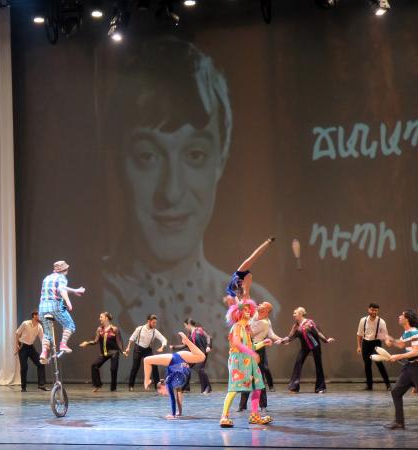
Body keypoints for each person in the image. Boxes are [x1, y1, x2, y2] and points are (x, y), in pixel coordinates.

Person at [100, 38, 279, 378]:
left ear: (220, 159)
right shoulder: (101, 295)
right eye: (147, 155)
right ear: (119, 163)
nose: (171, 191)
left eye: (194, 154)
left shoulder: (265, 305)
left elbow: (246, 268)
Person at [220, 299, 272, 428]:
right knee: (234, 389)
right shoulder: (237, 327)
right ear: (238, 312)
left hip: (249, 361)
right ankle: (224, 416)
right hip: (239, 361)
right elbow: (237, 343)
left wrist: (263, 343)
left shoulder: (246, 328)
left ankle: (254, 415)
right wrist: (252, 354)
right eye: (245, 309)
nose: (248, 311)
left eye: (249, 309)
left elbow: (250, 346)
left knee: (258, 387)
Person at [143, 332, 206, 419]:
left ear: (162, 386)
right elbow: (178, 398)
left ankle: (146, 380)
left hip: (173, 360)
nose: (163, 395)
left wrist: (172, 415)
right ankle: (187, 341)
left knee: (147, 360)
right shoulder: (174, 384)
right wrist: (179, 412)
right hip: (181, 359)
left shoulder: (169, 383)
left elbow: (172, 399)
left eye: (162, 392)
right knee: (202, 357)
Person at [38, 260, 86, 363]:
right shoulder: (61, 278)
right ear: (65, 269)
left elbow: (62, 287)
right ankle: (63, 344)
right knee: (70, 325)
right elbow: (62, 289)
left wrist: (75, 290)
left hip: (42, 308)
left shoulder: (47, 278)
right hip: (55, 305)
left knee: (47, 333)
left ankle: (44, 352)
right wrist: (68, 302)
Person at [279, 307, 335, 394]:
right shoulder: (296, 326)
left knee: (318, 366)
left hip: (315, 346)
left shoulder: (310, 322)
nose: (293, 315)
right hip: (305, 347)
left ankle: (320, 388)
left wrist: (326, 340)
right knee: (298, 363)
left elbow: (318, 332)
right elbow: (290, 337)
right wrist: (282, 341)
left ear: (301, 314)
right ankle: (294, 387)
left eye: (295, 313)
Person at [238, 301, 280, 412]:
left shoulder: (264, 322)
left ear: (266, 311)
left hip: (258, 349)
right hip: (249, 347)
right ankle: (242, 405)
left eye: (262, 305)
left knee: (259, 378)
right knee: (247, 376)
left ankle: (263, 405)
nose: (259, 305)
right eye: (260, 304)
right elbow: (272, 334)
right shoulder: (257, 314)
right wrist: (281, 339)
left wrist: (243, 324)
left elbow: (251, 334)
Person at [80, 311, 124, 392]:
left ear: (106, 318)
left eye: (101, 317)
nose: (99, 319)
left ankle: (113, 388)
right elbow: (96, 341)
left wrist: (122, 351)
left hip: (114, 352)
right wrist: (87, 343)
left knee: (113, 369)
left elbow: (119, 342)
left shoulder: (114, 329)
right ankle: (97, 385)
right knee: (94, 366)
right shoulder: (99, 329)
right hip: (104, 353)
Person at [124, 314, 168, 391]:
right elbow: (132, 338)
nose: (155, 324)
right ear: (149, 321)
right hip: (138, 348)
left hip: (147, 350)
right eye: (153, 322)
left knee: (154, 366)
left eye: (155, 323)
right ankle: (131, 385)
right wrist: (128, 347)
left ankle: (157, 386)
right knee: (135, 367)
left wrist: (162, 347)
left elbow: (164, 339)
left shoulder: (155, 331)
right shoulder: (140, 328)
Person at [170, 318, 212, 394]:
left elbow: (209, 337)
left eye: (185, 326)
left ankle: (207, 388)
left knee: (200, 370)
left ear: (189, 324)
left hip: (202, 353)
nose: (185, 327)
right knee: (186, 367)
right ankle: (186, 388)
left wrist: (208, 346)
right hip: (195, 355)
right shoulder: (191, 335)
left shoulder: (199, 330)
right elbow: (185, 345)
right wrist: (174, 347)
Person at [356, 302, 391, 390]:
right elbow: (359, 334)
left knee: (379, 364)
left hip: (376, 343)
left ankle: (388, 384)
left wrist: (387, 341)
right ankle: (369, 385)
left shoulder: (381, 322)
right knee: (367, 365)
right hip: (366, 343)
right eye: (372, 310)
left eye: (376, 310)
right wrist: (359, 346)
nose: (374, 312)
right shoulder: (363, 320)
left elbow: (385, 335)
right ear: (368, 309)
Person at [14, 311, 48, 392]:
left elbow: (42, 339)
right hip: (22, 346)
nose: (40, 317)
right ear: (34, 316)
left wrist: (44, 350)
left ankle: (41, 385)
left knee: (40, 363)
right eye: (39, 315)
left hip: (31, 347)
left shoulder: (39, 327)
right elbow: (17, 333)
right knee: (24, 367)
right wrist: (17, 345)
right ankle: (23, 387)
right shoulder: (25, 323)